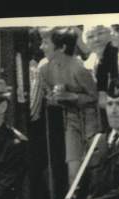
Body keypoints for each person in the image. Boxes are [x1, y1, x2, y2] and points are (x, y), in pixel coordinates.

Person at [37, 27, 99, 184]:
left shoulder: (79, 68)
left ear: (62, 47)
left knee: (94, 168)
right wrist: (55, 98)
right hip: (71, 121)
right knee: (74, 171)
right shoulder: (44, 69)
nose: (41, 47)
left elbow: (95, 97)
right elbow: (49, 96)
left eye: (45, 43)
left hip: (91, 119)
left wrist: (72, 96)